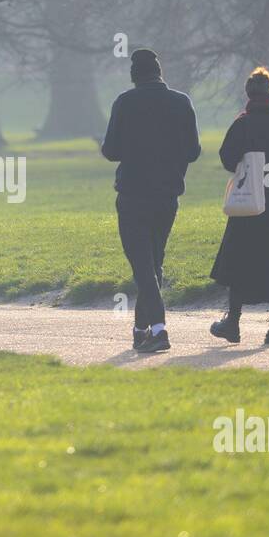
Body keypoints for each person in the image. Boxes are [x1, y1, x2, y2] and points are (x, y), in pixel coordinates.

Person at [102, 48, 201, 353]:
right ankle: (141, 328)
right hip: (167, 194)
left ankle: (159, 330)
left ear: (134, 76)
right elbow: (194, 151)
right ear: (160, 73)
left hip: (133, 194)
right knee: (153, 262)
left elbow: (111, 151)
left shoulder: (125, 102)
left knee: (143, 265)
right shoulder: (181, 102)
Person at [209, 67, 269, 344]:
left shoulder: (242, 124)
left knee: (240, 262)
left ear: (248, 94)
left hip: (247, 205)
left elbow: (227, 159)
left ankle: (233, 323)